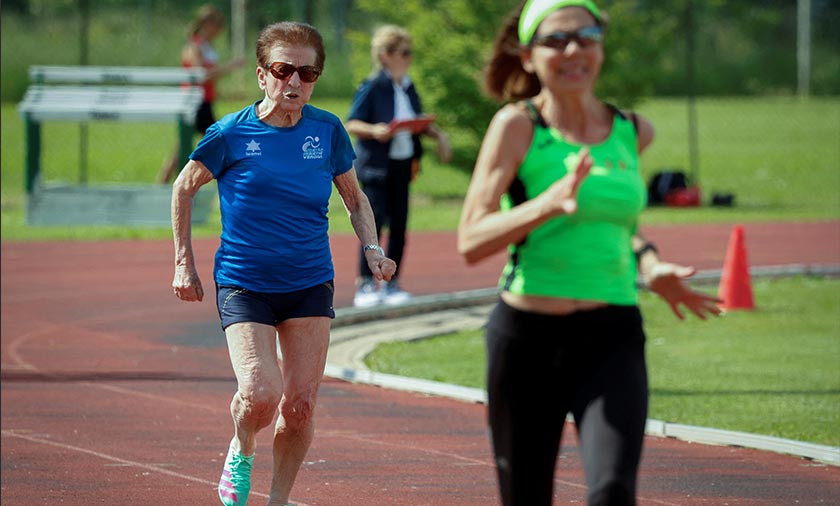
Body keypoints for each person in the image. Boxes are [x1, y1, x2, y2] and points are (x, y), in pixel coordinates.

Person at [456, 1, 722, 505]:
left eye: (586, 36)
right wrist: (546, 205)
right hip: (527, 339)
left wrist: (652, 265)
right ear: (530, 57)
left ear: (601, 48)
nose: (573, 49)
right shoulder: (518, 126)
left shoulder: (632, 130)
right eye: (555, 40)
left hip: (612, 336)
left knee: (613, 490)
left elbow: (615, 226)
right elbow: (471, 240)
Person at [170, 21, 396, 506]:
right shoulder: (230, 133)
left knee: (300, 406)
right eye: (283, 69)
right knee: (258, 394)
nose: (295, 82)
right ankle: (242, 445)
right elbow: (184, 186)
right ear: (262, 75)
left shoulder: (326, 129)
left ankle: (276, 500)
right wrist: (182, 262)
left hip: (309, 281)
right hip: (245, 282)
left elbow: (354, 200)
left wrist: (373, 250)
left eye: (307, 72)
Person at [345, 25, 452, 307]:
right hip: (377, 166)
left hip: (403, 165)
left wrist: (437, 134)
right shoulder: (372, 86)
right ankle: (367, 283)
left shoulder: (408, 86)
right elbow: (352, 122)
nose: (408, 58)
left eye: (409, 52)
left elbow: (416, 118)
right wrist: (376, 130)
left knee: (401, 225)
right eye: (403, 53)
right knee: (374, 224)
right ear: (385, 55)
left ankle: (392, 284)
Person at [157, 4, 245, 184]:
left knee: (186, 148)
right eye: (217, 26)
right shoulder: (194, 46)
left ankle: (166, 184)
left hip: (205, 102)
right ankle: (229, 182)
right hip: (194, 103)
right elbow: (201, 76)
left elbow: (210, 78)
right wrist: (230, 67)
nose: (219, 31)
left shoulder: (206, 47)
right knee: (221, 142)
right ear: (206, 24)